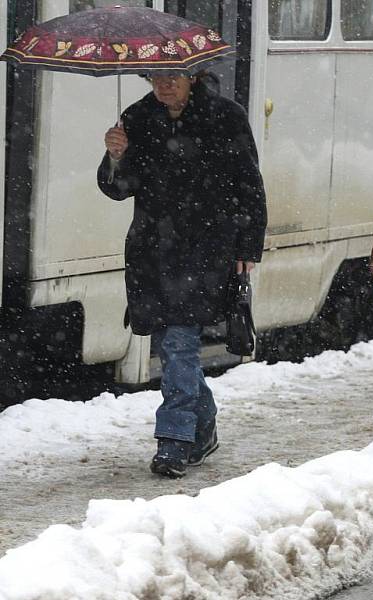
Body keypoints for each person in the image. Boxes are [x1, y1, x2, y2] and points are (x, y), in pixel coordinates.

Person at [98, 71, 267, 478]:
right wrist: (116, 156)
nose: (164, 86)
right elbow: (120, 188)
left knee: (178, 343)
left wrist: (248, 246)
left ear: (192, 76)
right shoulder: (137, 117)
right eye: (156, 78)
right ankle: (203, 427)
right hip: (152, 250)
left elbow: (249, 182)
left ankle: (173, 443)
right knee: (176, 347)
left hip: (206, 248)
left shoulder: (225, 116)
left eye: (172, 78)